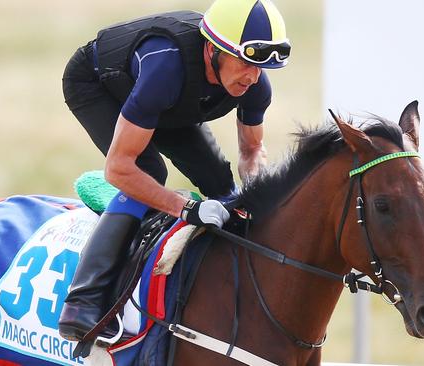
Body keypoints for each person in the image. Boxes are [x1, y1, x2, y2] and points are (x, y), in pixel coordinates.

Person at [59, 0, 291, 341]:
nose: (253, 76)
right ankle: (82, 302)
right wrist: (186, 209)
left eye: (260, 67)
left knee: (220, 183)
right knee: (148, 171)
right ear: (213, 50)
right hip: (99, 84)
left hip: (168, 100)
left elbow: (253, 151)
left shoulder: (254, 84)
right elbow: (119, 168)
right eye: (245, 62)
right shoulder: (165, 67)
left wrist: (256, 193)